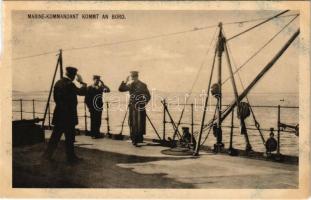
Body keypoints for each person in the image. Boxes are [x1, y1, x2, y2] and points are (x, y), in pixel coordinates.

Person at [43, 66, 87, 164]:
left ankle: (47, 155)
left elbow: (56, 99)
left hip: (59, 115)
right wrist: (82, 82)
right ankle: (71, 158)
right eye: (74, 75)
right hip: (68, 116)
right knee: (69, 138)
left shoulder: (58, 83)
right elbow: (81, 92)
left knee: (55, 137)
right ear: (72, 75)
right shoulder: (70, 84)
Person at [118, 71, 151, 146]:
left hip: (138, 106)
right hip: (134, 105)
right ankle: (136, 139)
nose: (132, 78)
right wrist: (125, 81)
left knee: (137, 122)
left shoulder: (138, 85)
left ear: (136, 77)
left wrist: (143, 102)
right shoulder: (133, 84)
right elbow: (121, 89)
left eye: (132, 77)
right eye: (132, 77)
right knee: (135, 122)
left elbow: (148, 95)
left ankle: (136, 139)